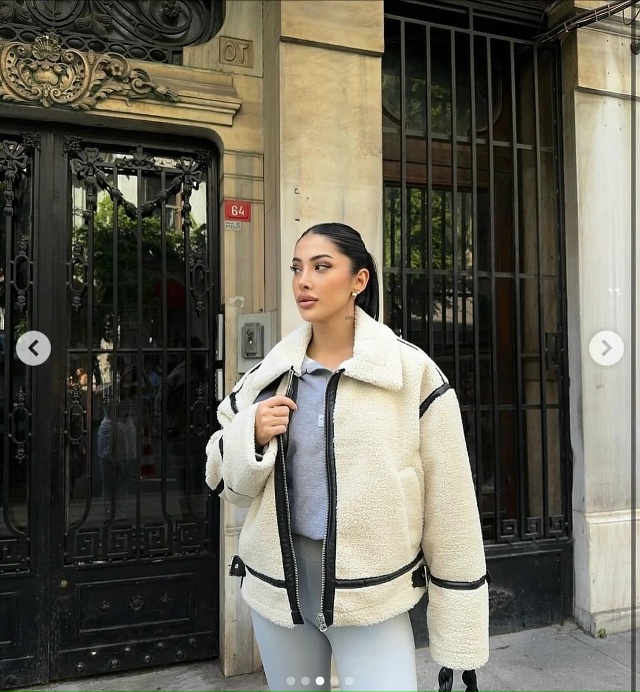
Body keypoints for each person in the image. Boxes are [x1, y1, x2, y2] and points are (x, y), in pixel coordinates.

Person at [205, 223, 489, 692]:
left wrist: (459, 626)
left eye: (321, 267)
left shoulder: (409, 373)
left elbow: (451, 504)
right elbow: (223, 482)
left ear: (359, 280)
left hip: (371, 594)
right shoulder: (270, 376)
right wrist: (248, 435)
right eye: (297, 268)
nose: (303, 281)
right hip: (280, 589)